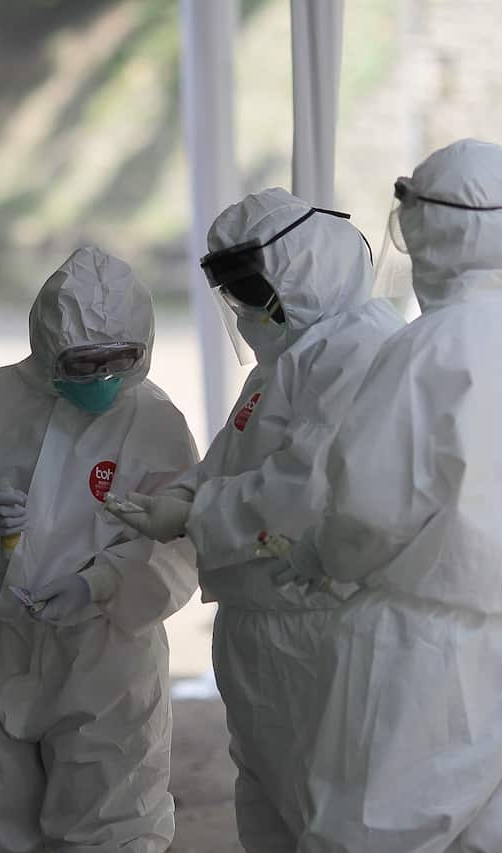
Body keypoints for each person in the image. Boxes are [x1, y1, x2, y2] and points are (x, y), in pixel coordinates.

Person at [281, 140, 502, 851]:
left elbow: (366, 509)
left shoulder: (426, 350)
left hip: (433, 642)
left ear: (428, 233)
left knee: (370, 833)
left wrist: (320, 555)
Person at [105, 188, 404, 851]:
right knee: (273, 815)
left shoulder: (354, 352)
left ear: (303, 275)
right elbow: (234, 457)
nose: (245, 311)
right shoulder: (292, 356)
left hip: (316, 628)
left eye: (253, 291)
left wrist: (194, 510)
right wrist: (180, 492)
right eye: (236, 293)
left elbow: (310, 484)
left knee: (326, 820)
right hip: (269, 629)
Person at [0, 246, 198, 853]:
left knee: (115, 828)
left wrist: (98, 584)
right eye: (83, 362)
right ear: (47, 348)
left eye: (117, 361)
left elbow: (179, 542)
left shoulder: (154, 421)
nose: (101, 377)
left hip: (107, 650)